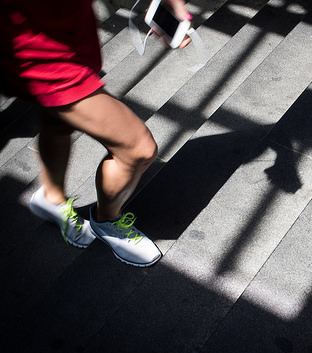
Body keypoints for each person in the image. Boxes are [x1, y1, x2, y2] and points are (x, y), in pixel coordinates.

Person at [0, 0, 192, 267]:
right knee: (138, 149)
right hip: (37, 49)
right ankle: (106, 221)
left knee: (57, 120)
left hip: (71, 30)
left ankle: (52, 198)